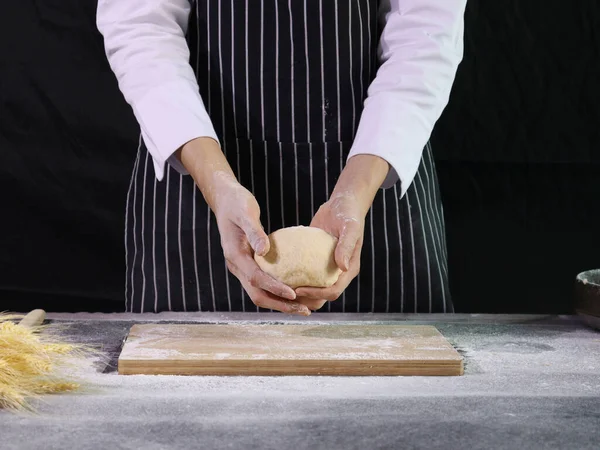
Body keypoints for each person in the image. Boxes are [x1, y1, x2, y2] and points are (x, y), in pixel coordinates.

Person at [97, 0, 466, 315]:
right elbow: (141, 27)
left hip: (375, 178)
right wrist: (217, 184)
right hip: (197, 179)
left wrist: (355, 189)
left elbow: (425, 36)